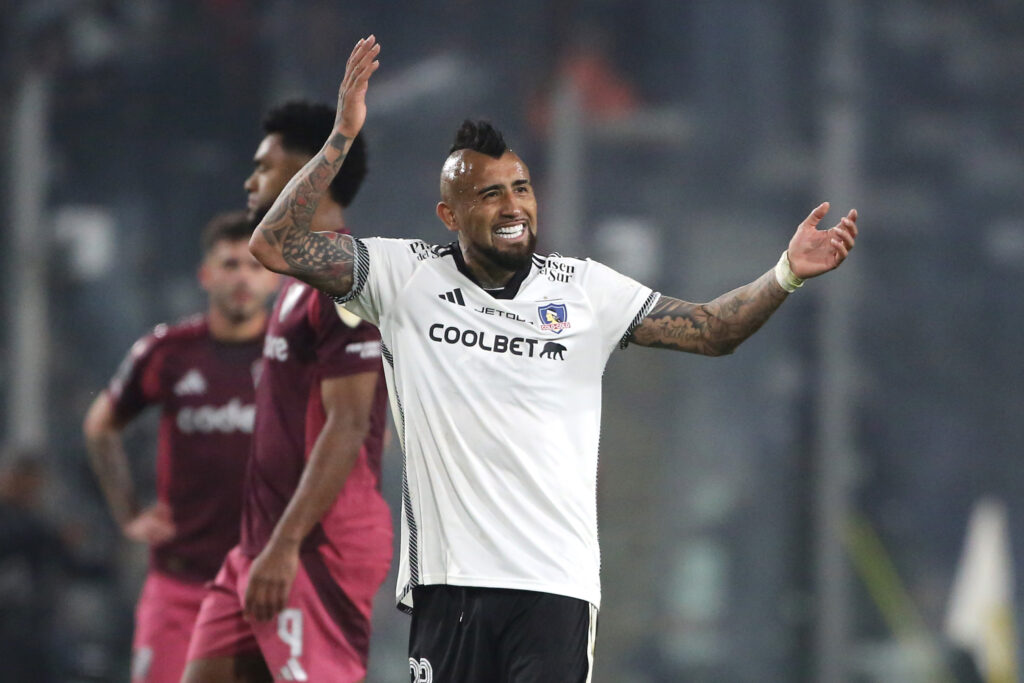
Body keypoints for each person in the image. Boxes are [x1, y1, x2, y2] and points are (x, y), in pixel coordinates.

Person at [249, 35, 859, 683]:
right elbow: (275, 244)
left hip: (553, 588)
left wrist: (787, 272)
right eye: (490, 195)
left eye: (521, 188)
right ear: (448, 214)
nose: (513, 206)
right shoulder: (404, 275)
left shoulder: (584, 289)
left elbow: (711, 329)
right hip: (449, 587)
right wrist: (341, 136)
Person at [183, 101, 391, 683]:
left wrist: (287, 544)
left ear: (309, 177)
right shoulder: (294, 285)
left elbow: (348, 424)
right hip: (261, 545)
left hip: (315, 549)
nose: (250, 182)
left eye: (264, 168)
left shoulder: (345, 282)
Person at [82, 211, 279, 683]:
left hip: (270, 585)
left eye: (253, 266)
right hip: (182, 582)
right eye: (230, 265)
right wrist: (129, 512)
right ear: (206, 275)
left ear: (272, 279)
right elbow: (100, 426)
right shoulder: (168, 351)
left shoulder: (293, 355)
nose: (242, 278)